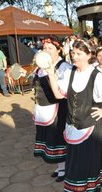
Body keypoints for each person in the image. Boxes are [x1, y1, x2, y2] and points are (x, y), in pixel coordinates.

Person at [47, 40, 102, 192]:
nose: (74, 57)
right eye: (73, 53)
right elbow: (59, 94)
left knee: (86, 163)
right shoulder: (70, 73)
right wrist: (51, 75)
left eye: (79, 54)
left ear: (89, 55)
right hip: (73, 124)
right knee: (75, 161)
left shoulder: (98, 75)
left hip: (90, 127)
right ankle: (80, 191)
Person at [33, 37, 72, 182]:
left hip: (58, 108)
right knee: (49, 138)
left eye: (50, 48)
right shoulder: (41, 66)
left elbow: (63, 91)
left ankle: (64, 167)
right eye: (44, 48)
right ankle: (59, 166)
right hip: (44, 107)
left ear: (59, 50)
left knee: (58, 138)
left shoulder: (64, 67)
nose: (46, 51)